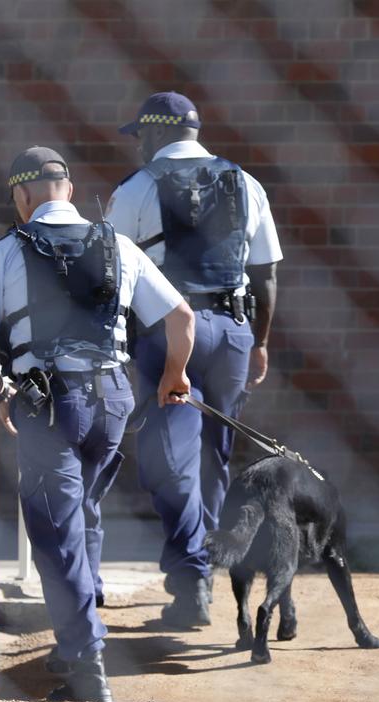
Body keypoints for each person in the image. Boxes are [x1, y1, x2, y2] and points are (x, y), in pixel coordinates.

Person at [0, 146, 194, 702]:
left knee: (55, 535)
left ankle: (87, 665)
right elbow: (181, 316)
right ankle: (78, 633)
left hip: (48, 407)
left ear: (23, 196)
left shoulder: (6, 251)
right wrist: (174, 377)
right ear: (70, 191)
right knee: (81, 513)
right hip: (112, 400)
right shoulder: (119, 246)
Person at [106, 92, 283, 627]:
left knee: (171, 458)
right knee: (214, 456)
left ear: (157, 135)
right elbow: (266, 273)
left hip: (168, 334)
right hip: (232, 330)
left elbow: (110, 276)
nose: (137, 145)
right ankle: (204, 570)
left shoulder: (136, 190)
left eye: (140, 135)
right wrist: (259, 341)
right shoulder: (245, 183)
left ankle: (191, 580)